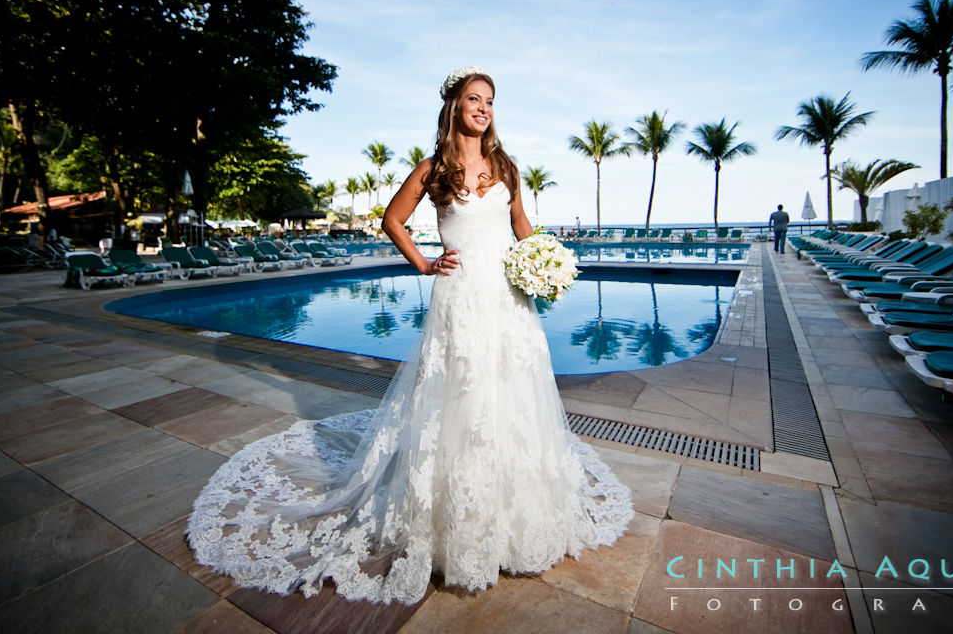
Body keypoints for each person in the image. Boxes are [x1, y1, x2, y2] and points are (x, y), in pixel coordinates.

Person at [187, 67, 632, 604]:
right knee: (462, 394)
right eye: (474, 99)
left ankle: (518, 517)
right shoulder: (433, 167)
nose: (484, 108)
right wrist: (424, 264)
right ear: (454, 107)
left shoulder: (506, 166)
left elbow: (521, 227)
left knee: (512, 391)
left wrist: (543, 261)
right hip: (461, 294)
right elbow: (392, 220)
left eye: (490, 101)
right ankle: (455, 527)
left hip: (510, 297)